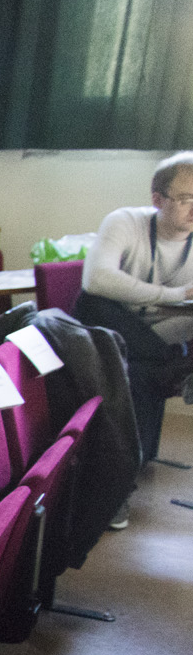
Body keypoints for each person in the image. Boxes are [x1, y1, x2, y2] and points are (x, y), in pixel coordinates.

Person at [77, 150, 193, 469]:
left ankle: (127, 469)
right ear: (158, 199)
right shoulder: (125, 221)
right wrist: (174, 294)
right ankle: (171, 364)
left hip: (161, 333)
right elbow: (97, 279)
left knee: (142, 371)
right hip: (114, 327)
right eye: (186, 199)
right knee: (92, 301)